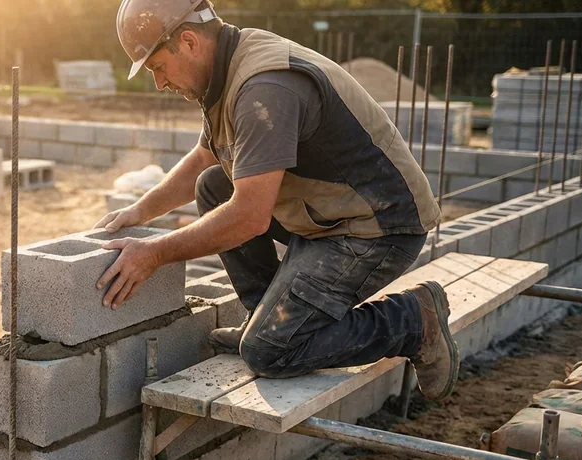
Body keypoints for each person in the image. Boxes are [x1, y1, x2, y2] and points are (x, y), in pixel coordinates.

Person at [95, 0, 459, 400]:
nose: (160, 83)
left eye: (158, 68)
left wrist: (153, 253)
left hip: (377, 225)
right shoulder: (225, 69)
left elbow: (249, 217)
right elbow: (205, 158)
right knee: (214, 185)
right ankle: (264, 315)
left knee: (269, 353)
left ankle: (412, 320)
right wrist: (140, 210)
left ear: (188, 41)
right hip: (330, 213)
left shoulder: (262, 88)